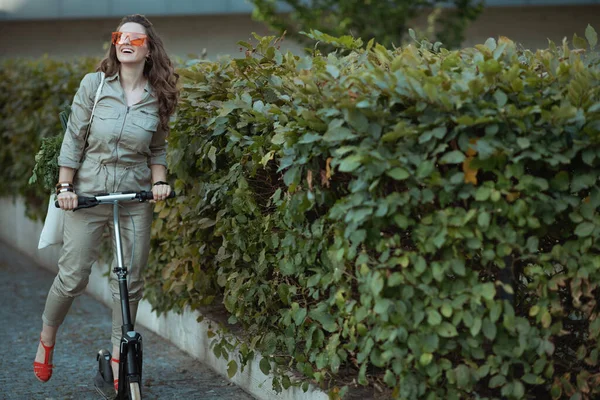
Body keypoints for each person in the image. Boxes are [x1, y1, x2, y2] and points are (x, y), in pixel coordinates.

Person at [33, 14, 179, 393]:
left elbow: (158, 148)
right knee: (72, 277)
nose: (125, 41)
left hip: (133, 196)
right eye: (120, 36)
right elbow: (74, 138)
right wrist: (66, 186)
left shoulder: (158, 93)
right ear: (114, 44)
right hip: (87, 194)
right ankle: (47, 340)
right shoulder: (94, 85)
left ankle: (118, 364)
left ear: (149, 48)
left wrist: (159, 182)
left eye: (135, 38)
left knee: (128, 285)